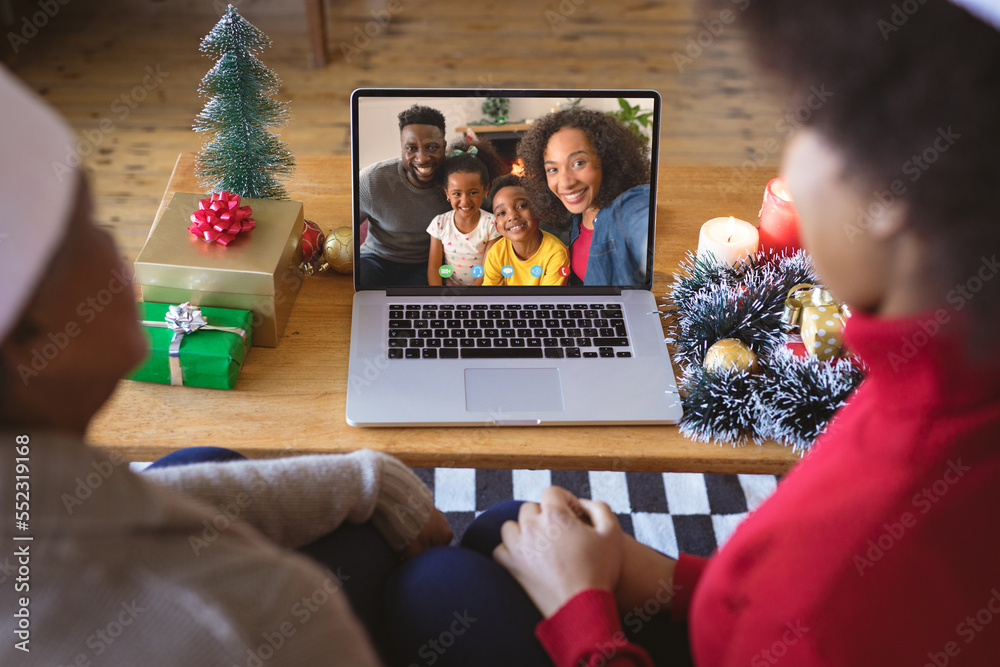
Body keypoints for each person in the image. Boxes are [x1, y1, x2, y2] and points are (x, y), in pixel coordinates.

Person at [387, 0, 1000, 665]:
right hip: (730, 619)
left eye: (809, 123)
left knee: (429, 586)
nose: (789, 168)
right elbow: (763, 596)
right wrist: (644, 569)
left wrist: (581, 609)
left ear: (893, 196)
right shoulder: (945, 380)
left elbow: (796, 611)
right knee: (503, 526)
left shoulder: (843, 579)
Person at [0, 65, 452, 666]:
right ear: (27, 337)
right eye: (87, 228)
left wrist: (367, 477)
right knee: (449, 578)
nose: (120, 249)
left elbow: (113, 504)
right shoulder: (255, 621)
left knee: (198, 461)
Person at [517, 106, 651, 287]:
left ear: (606, 159)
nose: (565, 183)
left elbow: (641, 218)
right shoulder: (576, 218)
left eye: (578, 163)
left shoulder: (625, 208)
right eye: (553, 169)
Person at [358, 104, 452, 287]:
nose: (422, 158)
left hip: (426, 264)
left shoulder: (457, 180)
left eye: (432, 147)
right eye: (411, 148)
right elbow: (347, 229)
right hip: (377, 257)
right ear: (401, 147)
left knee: (421, 307)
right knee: (362, 287)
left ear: (444, 146)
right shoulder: (372, 180)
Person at [426, 140, 504, 286]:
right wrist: (436, 297)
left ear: (485, 190)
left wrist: (472, 297)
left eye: (473, 192)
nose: (465, 201)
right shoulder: (439, 224)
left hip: (483, 290)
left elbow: (488, 269)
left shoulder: (492, 224)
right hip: (450, 290)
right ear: (447, 193)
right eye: (457, 194)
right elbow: (434, 267)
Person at [482, 175, 570, 287]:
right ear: (497, 227)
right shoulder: (496, 253)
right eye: (502, 213)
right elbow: (490, 296)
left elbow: (548, 301)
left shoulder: (556, 253)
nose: (512, 216)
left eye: (521, 206)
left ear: (538, 210)